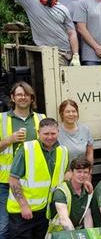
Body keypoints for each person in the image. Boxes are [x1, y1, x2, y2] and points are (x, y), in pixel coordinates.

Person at [7, 118, 69, 239]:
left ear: (58, 132)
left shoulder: (63, 151)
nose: (50, 137)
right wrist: (24, 206)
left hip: (45, 212)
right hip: (22, 213)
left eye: (53, 133)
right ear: (38, 132)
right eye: (46, 133)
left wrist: (83, 182)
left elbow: (66, 174)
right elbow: (13, 179)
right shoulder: (26, 149)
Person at [0, 0, 79, 66]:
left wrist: (76, 56)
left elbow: (72, 33)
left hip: (68, 56)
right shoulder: (30, 1)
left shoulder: (63, 9)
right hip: (51, 55)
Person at [0, 82, 45, 238]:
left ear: (31, 98)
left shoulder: (41, 118)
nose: (23, 97)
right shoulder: (1, 119)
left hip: (35, 184)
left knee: (36, 228)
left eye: (26, 94)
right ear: (12, 97)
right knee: (4, 229)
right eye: (19, 94)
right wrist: (9, 140)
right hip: (7, 183)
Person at [47, 157, 93, 234]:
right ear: (71, 172)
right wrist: (74, 236)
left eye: (85, 172)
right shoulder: (61, 191)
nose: (82, 175)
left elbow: (87, 217)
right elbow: (64, 219)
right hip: (59, 233)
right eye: (79, 172)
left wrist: (90, 235)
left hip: (77, 230)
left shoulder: (87, 191)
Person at [58, 99, 94, 165]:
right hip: (64, 173)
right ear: (62, 114)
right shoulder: (56, 132)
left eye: (74, 111)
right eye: (67, 112)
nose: (71, 114)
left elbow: (89, 153)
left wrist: (89, 171)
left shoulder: (85, 129)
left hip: (81, 172)